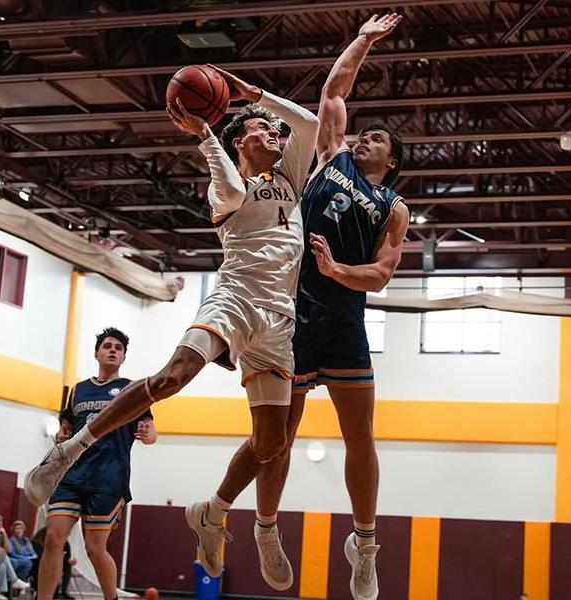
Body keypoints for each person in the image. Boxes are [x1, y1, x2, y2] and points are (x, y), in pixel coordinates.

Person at [25, 66, 319, 592]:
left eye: (275, 130)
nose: (276, 133)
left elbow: (311, 123)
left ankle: (213, 511)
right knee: (170, 378)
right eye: (261, 128)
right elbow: (229, 182)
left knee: (272, 444)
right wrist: (206, 135)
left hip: (279, 323)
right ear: (238, 140)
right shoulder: (226, 186)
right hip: (235, 301)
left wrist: (256, 96)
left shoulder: (290, 178)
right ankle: (69, 451)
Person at [257, 13, 408, 600]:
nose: (363, 137)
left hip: (343, 319)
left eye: (377, 140)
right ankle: (267, 530)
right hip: (293, 313)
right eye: (363, 134)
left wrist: (337, 269)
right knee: (278, 438)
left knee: (361, 438)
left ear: (390, 160)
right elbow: (334, 90)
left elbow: (383, 273)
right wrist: (365, 39)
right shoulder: (330, 156)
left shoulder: (391, 206)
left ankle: (364, 545)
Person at [31, 328, 157, 600]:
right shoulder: (78, 390)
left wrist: (148, 434)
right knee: (53, 538)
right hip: (72, 473)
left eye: (118, 348)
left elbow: (151, 430)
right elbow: (65, 427)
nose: (113, 350)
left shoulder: (131, 389)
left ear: (123, 357)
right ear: (97, 353)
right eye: (108, 346)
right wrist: (62, 434)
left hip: (109, 476)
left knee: (94, 548)